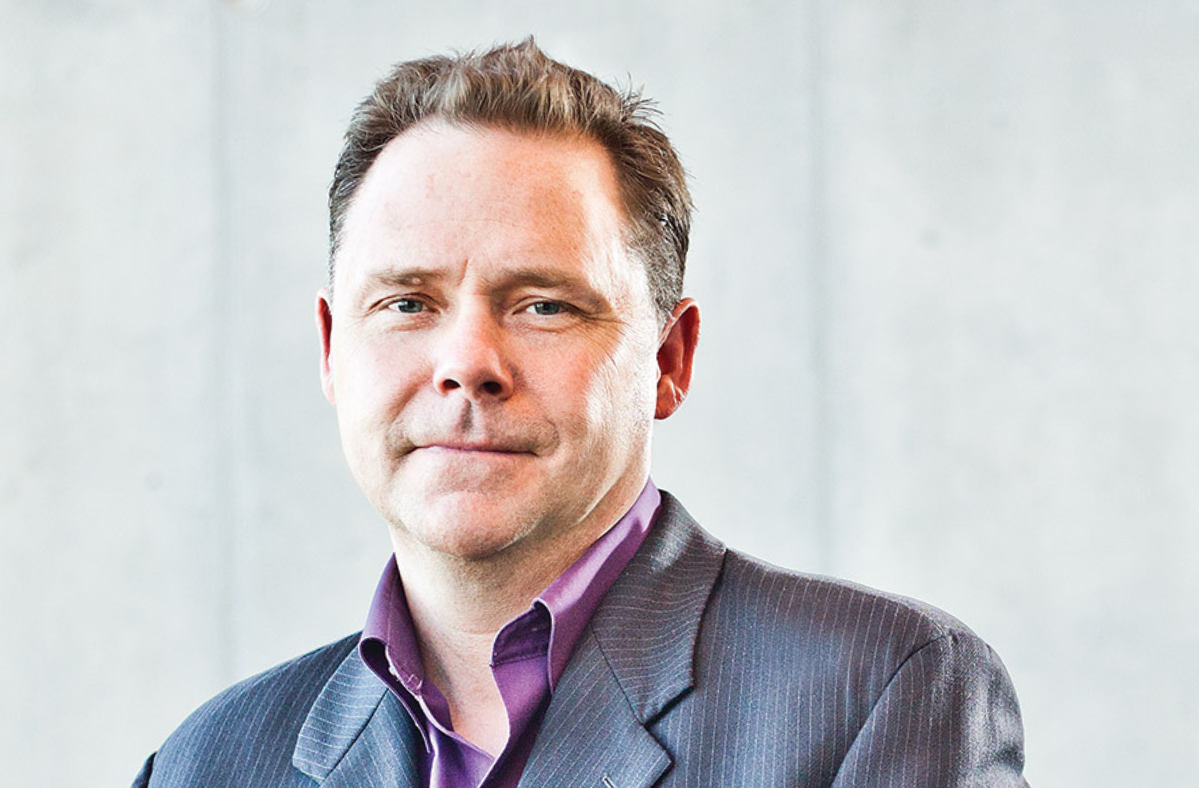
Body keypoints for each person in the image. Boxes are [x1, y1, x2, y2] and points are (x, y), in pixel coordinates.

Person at [134, 39, 1028, 788]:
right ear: (333, 351)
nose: (468, 366)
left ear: (668, 361)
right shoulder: (206, 763)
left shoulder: (880, 693)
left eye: (544, 305)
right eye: (407, 303)